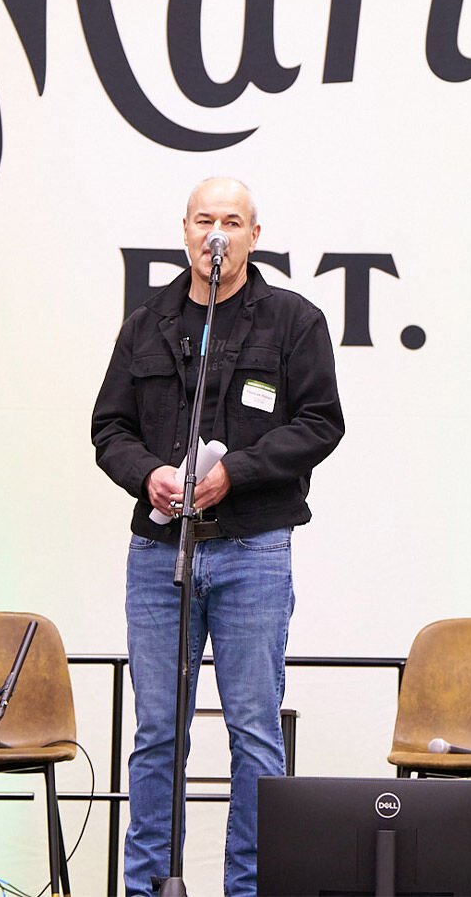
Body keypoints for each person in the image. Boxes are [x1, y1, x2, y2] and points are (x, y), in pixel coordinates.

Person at [91, 176, 344, 896]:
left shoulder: (293, 320)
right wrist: (148, 475)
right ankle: (148, 887)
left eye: (232, 220)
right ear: (184, 229)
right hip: (160, 553)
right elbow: (108, 428)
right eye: (206, 218)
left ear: (254, 236)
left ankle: (250, 886)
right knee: (157, 734)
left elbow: (321, 421)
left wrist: (238, 470)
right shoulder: (146, 322)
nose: (217, 231)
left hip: (253, 547)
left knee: (255, 731)